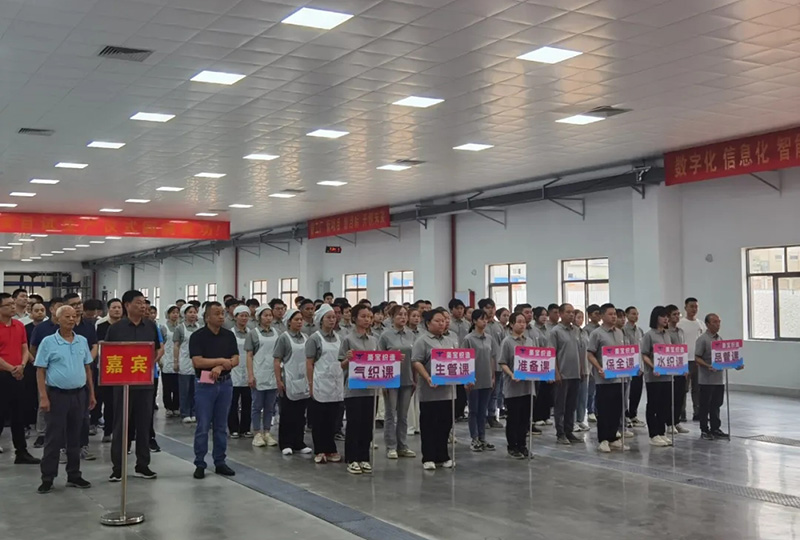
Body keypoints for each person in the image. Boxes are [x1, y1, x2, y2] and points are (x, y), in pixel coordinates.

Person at [34, 305, 95, 493]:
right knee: (54, 438)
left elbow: (87, 368)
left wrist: (91, 394)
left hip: (79, 395)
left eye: (74, 316)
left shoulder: (82, 341)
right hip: (57, 396)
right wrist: (43, 397)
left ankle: (74, 475)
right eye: (67, 316)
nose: (71, 319)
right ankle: (48, 477)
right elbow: (40, 370)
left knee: (75, 437)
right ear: (57, 319)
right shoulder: (48, 342)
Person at [106, 290, 160, 481]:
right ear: (127, 305)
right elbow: (109, 353)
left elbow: (157, 349)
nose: (143, 306)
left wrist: (150, 363)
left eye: (144, 302)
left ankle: (143, 465)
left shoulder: (150, 326)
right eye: (138, 302)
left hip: (145, 383)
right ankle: (118, 468)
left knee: (144, 425)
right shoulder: (116, 328)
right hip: (123, 384)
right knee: (121, 425)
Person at [189, 301, 239, 478]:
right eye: (216, 314)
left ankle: (220, 461)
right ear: (207, 317)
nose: (221, 317)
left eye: (222, 313)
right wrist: (221, 362)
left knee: (221, 425)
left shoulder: (228, 335)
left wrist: (220, 367)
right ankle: (200, 463)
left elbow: (235, 359)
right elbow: (197, 362)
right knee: (203, 425)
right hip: (205, 381)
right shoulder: (198, 336)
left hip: (225, 382)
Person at [411, 308, 456, 470]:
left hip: (448, 391)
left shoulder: (450, 341)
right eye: (438, 321)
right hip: (430, 391)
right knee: (429, 424)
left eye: (443, 320)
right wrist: (427, 377)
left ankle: (443, 455)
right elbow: (416, 361)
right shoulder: (422, 341)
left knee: (445, 425)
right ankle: (428, 457)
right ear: (428, 323)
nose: (442, 323)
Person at [339, 304, 380, 474]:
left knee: (367, 424)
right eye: (363, 316)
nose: (367, 320)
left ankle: (364, 457)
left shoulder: (374, 340)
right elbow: (341, 365)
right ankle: (352, 458)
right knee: (354, 424)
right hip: (354, 389)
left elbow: (378, 361)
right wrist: (348, 359)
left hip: (371, 389)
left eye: (369, 317)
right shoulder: (348, 339)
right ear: (355, 318)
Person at [0, 292, 40, 464]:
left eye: (12, 304)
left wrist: (22, 365)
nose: (12, 307)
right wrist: (11, 368)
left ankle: (21, 452)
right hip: (3, 375)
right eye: (8, 305)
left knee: (19, 415)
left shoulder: (19, 325)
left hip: (19, 374)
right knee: (1, 414)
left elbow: (24, 347)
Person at [587, 303, 628, 453]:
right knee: (604, 410)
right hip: (604, 379)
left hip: (619, 378)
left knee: (616, 409)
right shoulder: (596, 334)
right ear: (602, 316)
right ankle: (603, 439)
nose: (614, 317)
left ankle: (613, 437)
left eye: (615, 314)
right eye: (610, 314)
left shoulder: (620, 332)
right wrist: (599, 368)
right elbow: (590, 354)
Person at [695, 314, 743, 440]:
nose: (718, 324)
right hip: (706, 379)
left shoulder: (720, 339)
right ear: (707, 324)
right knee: (705, 405)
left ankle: (715, 428)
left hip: (718, 379)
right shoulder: (702, 339)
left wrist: (736, 365)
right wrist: (707, 366)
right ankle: (704, 430)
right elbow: (697, 357)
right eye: (714, 322)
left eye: (719, 322)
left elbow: (724, 358)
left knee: (716, 404)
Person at [305, 304, 343, 465]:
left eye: (333, 317)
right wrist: (310, 383)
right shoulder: (314, 339)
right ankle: (320, 449)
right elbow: (309, 363)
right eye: (328, 317)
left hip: (336, 383)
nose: (332, 320)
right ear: (321, 320)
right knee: (319, 419)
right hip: (320, 382)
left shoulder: (339, 338)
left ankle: (331, 448)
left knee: (333, 419)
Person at [378, 305, 417, 459]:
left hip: (407, 379)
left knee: (403, 415)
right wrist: (383, 382)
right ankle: (391, 446)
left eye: (405, 314)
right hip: (390, 379)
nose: (403, 317)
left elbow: (415, 359)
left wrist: (415, 379)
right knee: (390, 414)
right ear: (392, 317)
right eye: (399, 314)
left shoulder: (411, 335)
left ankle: (403, 445)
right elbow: (380, 359)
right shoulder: (385, 336)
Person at [273, 309, 312, 456]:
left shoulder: (306, 337)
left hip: (303, 379)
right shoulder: (284, 338)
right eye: (296, 319)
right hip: (288, 379)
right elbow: (277, 360)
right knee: (288, 413)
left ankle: (299, 442)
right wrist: (278, 380)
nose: (300, 322)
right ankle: (286, 443)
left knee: (301, 414)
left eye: (301, 319)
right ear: (289, 322)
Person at [498, 312, 535, 459]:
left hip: (528, 387)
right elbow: (502, 362)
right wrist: (512, 374)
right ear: (512, 324)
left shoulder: (530, 341)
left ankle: (522, 445)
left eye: (524, 322)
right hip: (513, 387)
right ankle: (512, 446)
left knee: (525, 419)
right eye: (519, 322)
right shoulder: (507, 342)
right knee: (514, 418)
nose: (522, 324)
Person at [462, 309, 498, 452]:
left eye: (486, 319)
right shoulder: (468, 339)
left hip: (486, 378)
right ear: (474, 321)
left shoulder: (489, 338)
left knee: (483, 410)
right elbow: (464, 360)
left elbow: (492, 358)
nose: (485, 322)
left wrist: (493, 376)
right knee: (473, 410)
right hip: (473, 379)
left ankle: (482, 438)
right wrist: (466, 379)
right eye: (482, 319)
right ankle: (474, 438)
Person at [550, 303, 585, 445]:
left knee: (571, 405)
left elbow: (579, 351)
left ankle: (569, 431)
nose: (571, 315)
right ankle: (560, 433)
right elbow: (552, 353)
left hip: (575, 373)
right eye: (568, 312)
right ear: (560, 314)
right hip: (562, 374)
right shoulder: (555, 331)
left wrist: (581, 369)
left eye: (573, 312)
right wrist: (556, 372)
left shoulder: (576, 330)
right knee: (560, 406)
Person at [246, 306, 280, 448]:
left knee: (269, 406)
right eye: (265, 315)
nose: (268, 318)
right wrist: (250, 375)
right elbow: (249, 355)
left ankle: (267, 432)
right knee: (257, 406)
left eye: (270, 315)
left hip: (272, 373)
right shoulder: (253, 333)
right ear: (259, 317)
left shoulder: (277, 333)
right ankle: (257, 433)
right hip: (258, 373)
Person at [640, 306, 673, 448]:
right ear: (656, 318)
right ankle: (653, 434)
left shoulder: (667, 335)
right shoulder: (649, 335)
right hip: (654, 376)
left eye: (667, 316)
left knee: (665, 405)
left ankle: (661, 431)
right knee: (653, 404)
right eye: (663, 316)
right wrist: (654, 367)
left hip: (667, 376)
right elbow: (644, 354)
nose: (666, 319)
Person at [95, 298, 122, 443]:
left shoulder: (126, 325)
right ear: (108, 309)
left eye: (119, 307)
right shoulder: (101, 325)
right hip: (107, 367)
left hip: (124, 368)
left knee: (122, 403)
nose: (117, 310)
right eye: (114, 307)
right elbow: (100, 344)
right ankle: (108, 431)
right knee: (109, 401)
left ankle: (122, 432)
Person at [677, 297, 705, 422]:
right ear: (685, 307)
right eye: (691, 306)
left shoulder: (701, 324)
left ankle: (697, 412)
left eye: (696, 307)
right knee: (683, 388)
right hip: (684, 360)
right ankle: (681, 412)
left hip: (697, 360)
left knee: (697, 388)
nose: (694, 309)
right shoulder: (680, 324)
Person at [228, 306, 252, 438]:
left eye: (246, 316)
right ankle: (233, 428)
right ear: (235, 317)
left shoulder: (252, 333)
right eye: (241, 315)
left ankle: (245, 428)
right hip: (234, 370)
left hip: (248, 369)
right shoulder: (230, 333)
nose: (244, 318)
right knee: (233, 402)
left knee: (247, 402)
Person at [173, 304, 200, 424]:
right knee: (185, 390)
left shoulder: (199, 327)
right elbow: (176, 346)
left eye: (194, 312)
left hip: (197, 362)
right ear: (184, 314)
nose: (193, 314)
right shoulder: (180, 328)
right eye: (190, 312)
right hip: (184, 361)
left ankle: (194, 412)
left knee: (196, 390)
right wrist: (176, 361)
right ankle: (185, 413)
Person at [666, 304, 690, 435]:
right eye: (674, 314)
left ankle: (676, 421)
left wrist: (685, 367)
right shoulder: (665, 332)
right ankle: (669, 423)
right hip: (669, 369)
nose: (677, 317)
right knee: (670, 397)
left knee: (680, 396)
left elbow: (683, 350)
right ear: (668, 316)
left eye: (678, 314)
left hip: (681, 368)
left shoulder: (680, 331)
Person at [480, 298, 505, 424]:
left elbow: (503, 343)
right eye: (487, 308)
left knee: (496, 391)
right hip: (484, 365)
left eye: (492, 308)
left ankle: (492, 415)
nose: (491, 310)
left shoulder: (498, 326)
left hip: (498, 363)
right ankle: (483, 416)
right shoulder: (480, 326)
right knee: (485, 391)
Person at [24, 302, 47, 435]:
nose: (39, 313)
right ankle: (28, 423)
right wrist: (33, 360)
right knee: (30, 394)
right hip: (30, 364)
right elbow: (24, 347)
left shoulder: (50, 327)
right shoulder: (26, 328)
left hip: (45, 367)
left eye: (42, 310)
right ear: (31, 313)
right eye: (36, 310)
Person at [622, 307, 646, 429]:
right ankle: (625, 415)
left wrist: (641, 365)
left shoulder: (640, 331)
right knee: (627, 393)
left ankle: (633, 415)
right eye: (633, 314)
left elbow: (642, 349)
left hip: (639, 367)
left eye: (637, 314)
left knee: (637, 392)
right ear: (626, 315)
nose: (635, 316)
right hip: (628, 367)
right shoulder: (623, 330)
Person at [160, 305, 180, 418]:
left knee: (177, 386)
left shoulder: (180, 327)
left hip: (178, 359)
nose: (175, 314)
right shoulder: (163, 328)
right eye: (173, 312)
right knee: (167, 386)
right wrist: (160, 360)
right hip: (167, 358)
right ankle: (168, 407)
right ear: (168, 314)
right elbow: (161, 344)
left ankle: (176, 406)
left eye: (177, 312)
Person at [573, 309, 590, 432]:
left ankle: (580, 419)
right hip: (574, 369)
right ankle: (572, 421)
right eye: (578, 317)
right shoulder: (571, 332)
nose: (580, 320)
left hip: (586, 368)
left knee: (583, 397)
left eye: (582, 317)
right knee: (574, 396)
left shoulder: (584, 332)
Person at [584, 304, 601, 423]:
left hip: (600, 362)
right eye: (596, 314)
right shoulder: (586, 330)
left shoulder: (601, 328)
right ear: (589, 315)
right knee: (591, 389)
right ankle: (590, 410)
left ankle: (597, 409)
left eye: (599, 313)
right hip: (590, 361)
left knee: (598, 388)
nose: (598, 316)